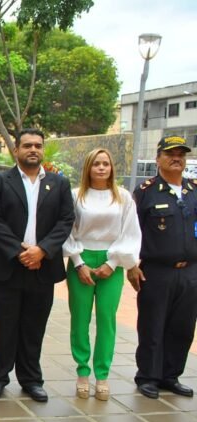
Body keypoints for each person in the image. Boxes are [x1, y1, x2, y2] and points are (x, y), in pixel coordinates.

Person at [0, 128, 75, 402]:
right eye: (27, 145)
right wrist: (19, 251)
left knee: (34, 326)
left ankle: (31, 379)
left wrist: (42, 250)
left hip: (42, 267)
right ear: (16, 150)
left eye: (38, 145)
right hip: (6, 266)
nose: (33, 149)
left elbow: (66, 220)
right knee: (3, 325)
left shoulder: (58, 183)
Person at [62, 148, 141, 401]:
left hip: (111, 262)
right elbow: (67, 230)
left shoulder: (123, 197)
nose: (101, 167)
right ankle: (83, 372)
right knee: (80, 319)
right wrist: (78, 262)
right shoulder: (76, 196)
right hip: (82, 260)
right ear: (88, 167)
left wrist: (114, 262)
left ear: (111, 167)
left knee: (106, 319)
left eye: (106, 163)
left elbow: (130, 232)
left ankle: (103, 374)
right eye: (96, 163)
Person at [128, 135, 197, 399]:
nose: (176, 158)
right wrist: (132, 265)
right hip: (156, 271)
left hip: (190, 272)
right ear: (158, 159)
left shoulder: (194, 191)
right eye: (170, 153)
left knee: (183, 327)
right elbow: (132, 232)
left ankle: (171, 375)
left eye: (181, 153)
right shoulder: (145, 192)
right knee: (152, 326)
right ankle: (148, 376)